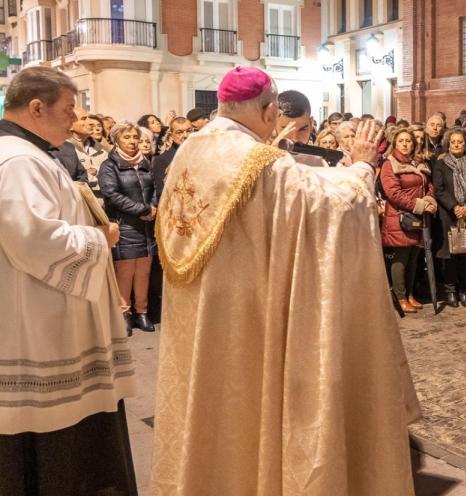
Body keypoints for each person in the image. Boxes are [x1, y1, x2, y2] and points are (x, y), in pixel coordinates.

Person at [152, 66, 418, 495]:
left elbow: (297, 189)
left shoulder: (192, 149)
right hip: (247, 312)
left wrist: (339, 170)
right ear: (268, 108)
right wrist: (364, 167)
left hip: (203, 310)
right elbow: (328, 208)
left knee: (208, 399)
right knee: (250, 403)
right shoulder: (257, 161)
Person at [0, 67, 137, 496]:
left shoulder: (30, 154)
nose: (74, 119)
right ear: (36, 107)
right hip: (38, 323)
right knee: (53, 446)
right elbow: (31, 237)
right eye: (68, 108)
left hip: (46, 312)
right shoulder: (19, 160)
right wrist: (101, 237)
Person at [99, 121, 158, 333]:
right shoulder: (110, 165)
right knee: (124, 272)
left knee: (143, 272)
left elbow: (154, 189)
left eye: (135, 137)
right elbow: (112, 195)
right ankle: (124, 313)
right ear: (116, 140)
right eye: (127, 137)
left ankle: (142, 313)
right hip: (125, 225)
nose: (133, 142)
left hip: (146, 227)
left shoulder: (145, 163)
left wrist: (153, 208)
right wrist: (142, 210)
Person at [381, 128, 436, 313]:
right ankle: (400, 297)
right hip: (399, 217)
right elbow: (393, 193)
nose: (405, 144)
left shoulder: (418, 162)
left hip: (417, 217)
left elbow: (428, 185)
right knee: (401, 258)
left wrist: (429, 200)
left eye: (408, 141)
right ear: (395, 143)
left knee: (414, 257)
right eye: (401, 141)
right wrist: (419, 204)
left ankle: (410, 294)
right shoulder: (390, 164)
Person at [434, 128, 466, 308]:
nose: (456, 145)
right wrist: (454, 207)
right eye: (453, 142)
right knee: (450, 256)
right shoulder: (441, 165)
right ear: (448, 145)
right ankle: (450, 290)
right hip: (449, 215)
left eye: (460, 142)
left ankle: (465, 290)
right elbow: (439, 189)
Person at [152, 116, 192, 204]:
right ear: (171, 135)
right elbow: (161, 193)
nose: (185, 135)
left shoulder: (200, 154)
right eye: (179, 132)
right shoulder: (162, 160)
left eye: (189, 131)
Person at [68, 113, 108, 195]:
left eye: (88, 118)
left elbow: (111, 176)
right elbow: (73, 182)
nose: (90, 122)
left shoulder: (100, 149)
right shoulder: (65, 149)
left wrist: (95, 170)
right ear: (70, 126)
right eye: (83, 119)